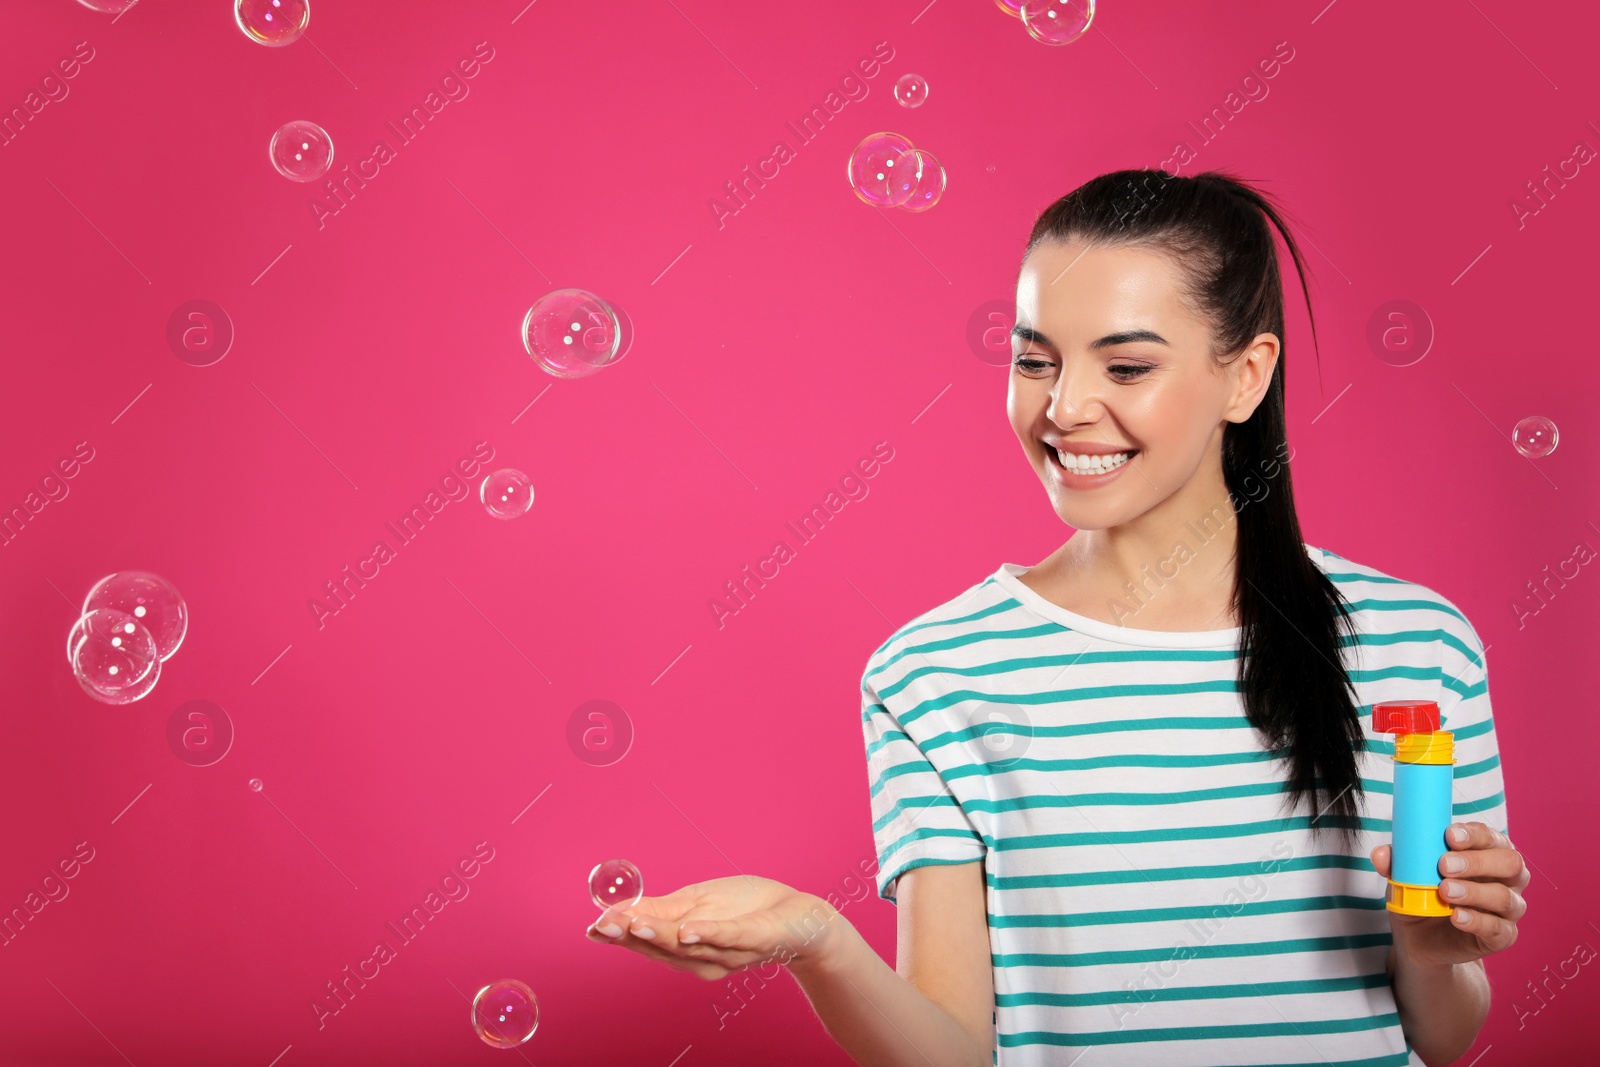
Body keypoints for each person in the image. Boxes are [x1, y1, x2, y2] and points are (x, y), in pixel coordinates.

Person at [584, 168, 1528, 1067]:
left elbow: (1443, 1035)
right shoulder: (935, 673)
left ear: (1245, 376)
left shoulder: (1421, 647)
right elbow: (954, 1049)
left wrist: (1433, 946)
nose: (1065, 408)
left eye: (1125, 366)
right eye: (1034, 359)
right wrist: (818, 940)